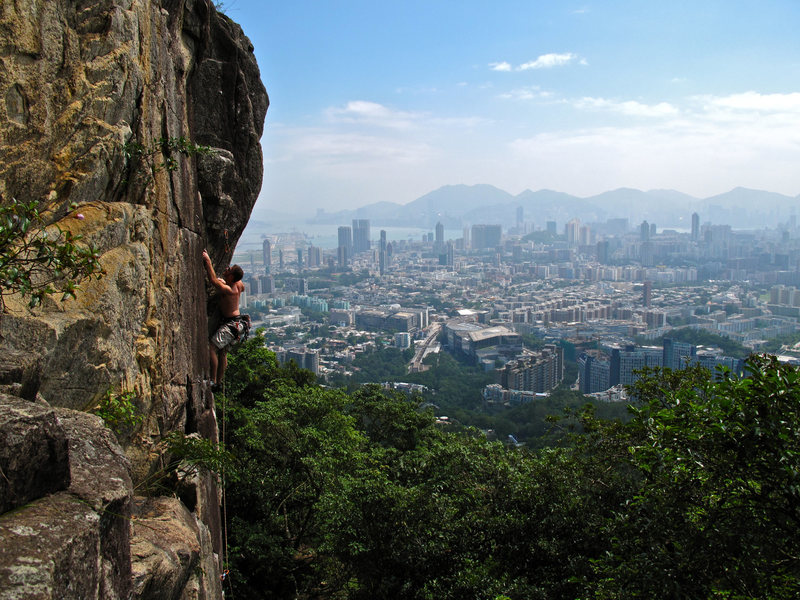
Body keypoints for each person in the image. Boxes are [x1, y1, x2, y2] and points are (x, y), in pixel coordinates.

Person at [202, 250, 247, 386]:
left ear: (232, 277)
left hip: (232, 324)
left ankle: (213, 380)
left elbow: (213, 280)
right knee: (223, 353)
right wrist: (226, 281)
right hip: (237, 324)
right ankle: (219, 381)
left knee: (211, 347)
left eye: (230, 270)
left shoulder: (229, 290)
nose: (227, 268)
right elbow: (241, 287)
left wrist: (208, 261)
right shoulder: (238, 285)